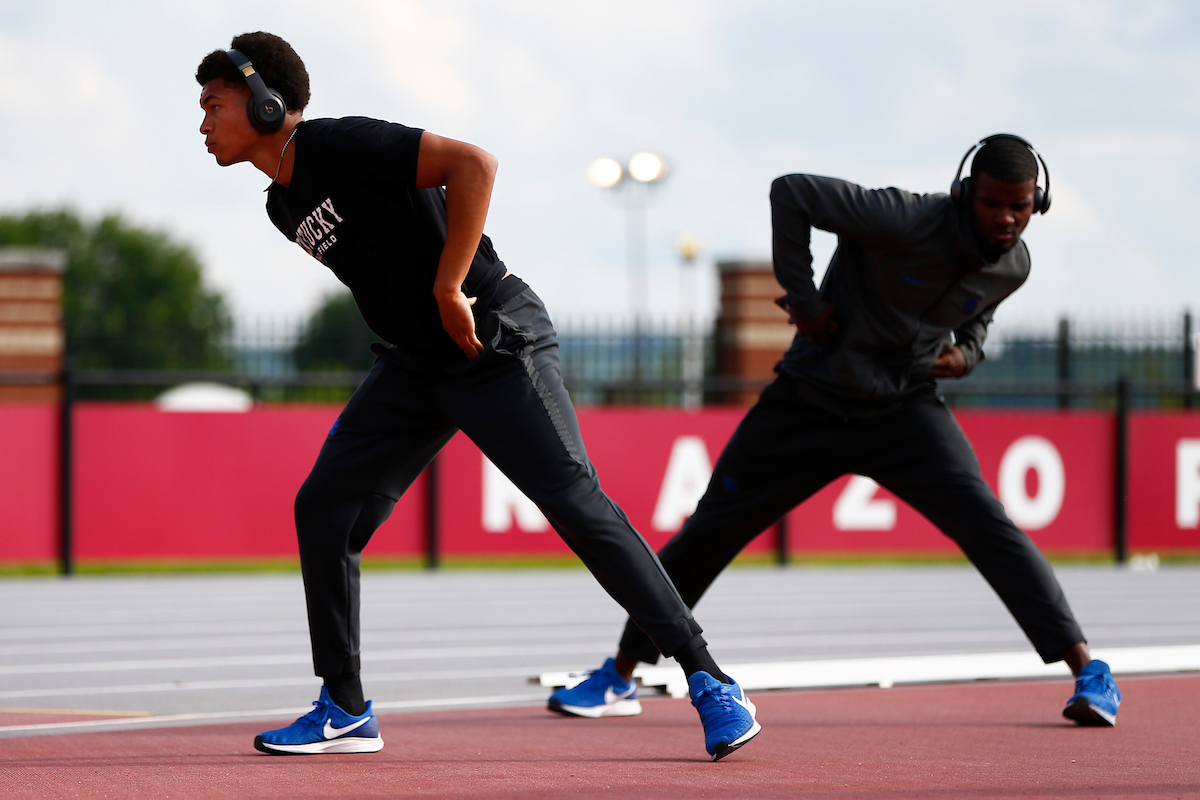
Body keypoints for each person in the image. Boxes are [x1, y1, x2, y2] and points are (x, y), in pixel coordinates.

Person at [195, 31, 759, 760]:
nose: (203, 123)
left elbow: (473, 164)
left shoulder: (342, 143)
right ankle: (344, 706)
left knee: (575, 505)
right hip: (416, 367)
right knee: (324, 507)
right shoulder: (280, 207)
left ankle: (710, 679)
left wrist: (448, 284)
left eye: (213, 104)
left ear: (266, 104)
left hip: (491, 341)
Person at [549, 135, 1122, 728]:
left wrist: (968, 355)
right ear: (965, 193)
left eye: (1020, 207)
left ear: (1038, 204)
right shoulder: (903, 216)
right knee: (708, 533)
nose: (1006, 218)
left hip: (904, 412)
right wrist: (804, 299)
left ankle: (1088, 670)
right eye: (993, 203)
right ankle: (620, 674)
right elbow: (791, 193)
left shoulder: (1015, 264)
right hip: (810, 400)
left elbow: (978, 315)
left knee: (989, 525)